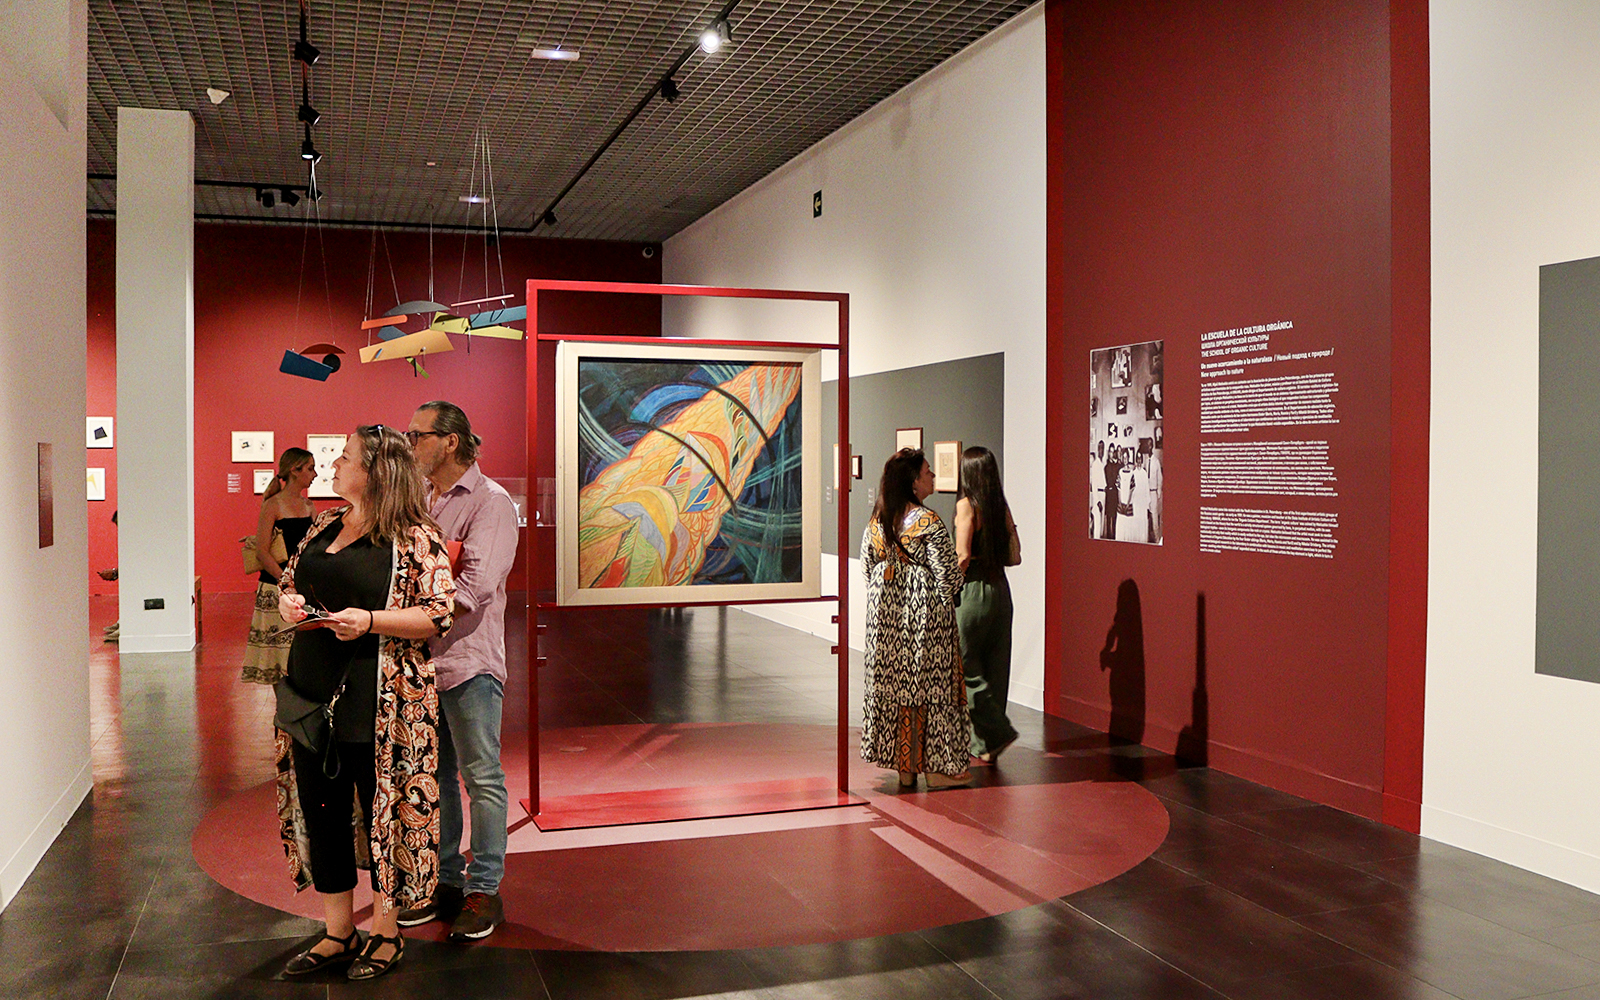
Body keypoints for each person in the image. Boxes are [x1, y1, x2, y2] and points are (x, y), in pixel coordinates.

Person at [273, 425, 455, 982]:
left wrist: (371, 621)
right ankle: (337, 930)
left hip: (381, 706)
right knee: (322, 810)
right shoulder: (326, 524)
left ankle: (386, 930)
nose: (333, 463)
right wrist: (290, 602)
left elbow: (439, 613)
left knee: (385, 815)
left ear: (376, 471)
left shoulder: (416, 537)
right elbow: (289, 576)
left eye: (345, 456)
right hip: (309, 699)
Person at [396, 401, 518, 942]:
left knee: (482, 777)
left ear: (449, 442)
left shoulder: (490, 504)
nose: (409, 443)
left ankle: (483, 889)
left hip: (468, 662)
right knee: (439, 778)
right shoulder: (422, 500)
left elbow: (475, 588)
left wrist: (403, 619)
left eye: (415, 435)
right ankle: (445, 881)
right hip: (425, 662)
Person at [860, 448, 971, 790]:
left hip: (886, 619)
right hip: (925, 618)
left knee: (894, 688)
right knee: (931, 686)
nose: (933, 477)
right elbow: (948, 577)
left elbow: (866, 568)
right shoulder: (929, 522)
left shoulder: (877, 522)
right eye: (927, 472)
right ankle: (937, 767)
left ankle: (904, 768)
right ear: (913, 483)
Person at [954, 446, 1020, 763]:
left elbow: (962, 556)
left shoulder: (968, 506)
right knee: (997, 666)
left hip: (973, 592)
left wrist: (947, 581)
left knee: (965, 665)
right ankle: (986, 748)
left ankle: (996, 733)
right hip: (1001, 590)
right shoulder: (1000, 509)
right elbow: (1015, 557)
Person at [241, 448, 315, 684]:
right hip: (276, 587)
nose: (314, 475)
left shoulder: (308, 506)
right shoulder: (273, 505)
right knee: (277, 658)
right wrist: (286, 582)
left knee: (299, 654)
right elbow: (263, 552)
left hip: (301, 589)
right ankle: (283, 715)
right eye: (310, 468)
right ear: (295, 470)